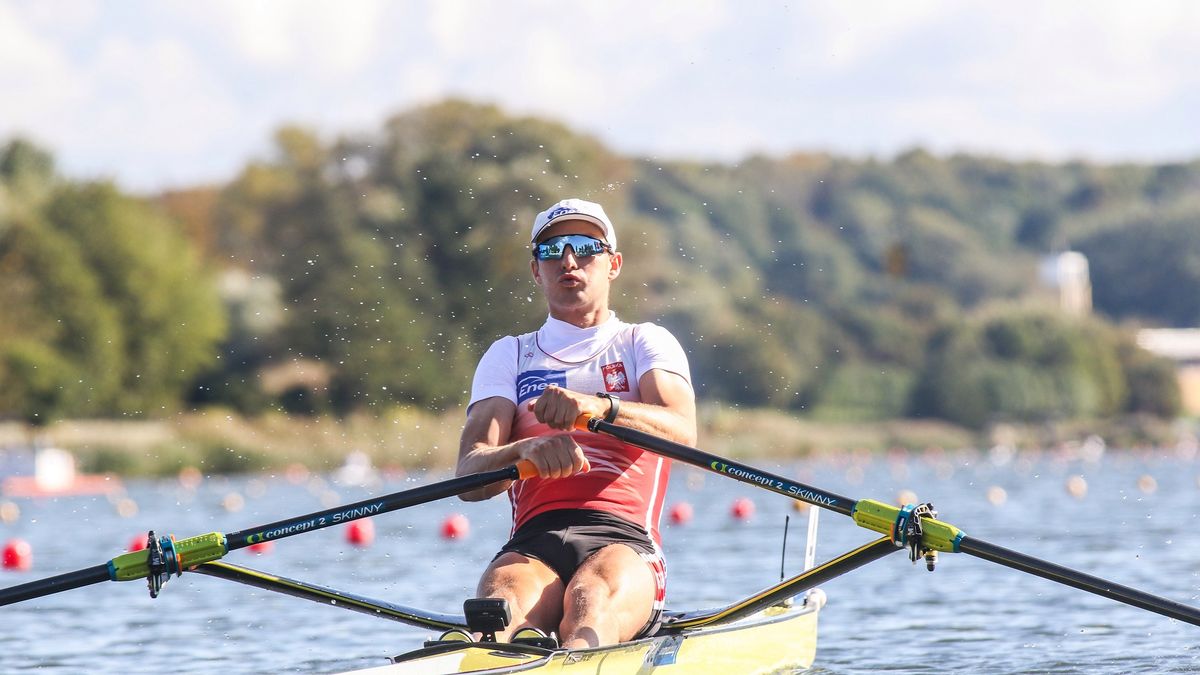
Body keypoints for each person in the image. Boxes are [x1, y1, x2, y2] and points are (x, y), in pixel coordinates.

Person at [456, 197, 697, 649]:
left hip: (624, 538)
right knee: (501, 605)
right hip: (534, 540)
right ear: (536, 270)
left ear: (614, 264)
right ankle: (497, 652)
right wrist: (521, 450)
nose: (569, 260)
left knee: (591, 598)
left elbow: (682, 431)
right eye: (551, 250)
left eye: (585, 246)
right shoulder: (509, 354)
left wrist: (601, 408)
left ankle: (576, 653)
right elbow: (469, 478)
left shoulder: (642, 342)